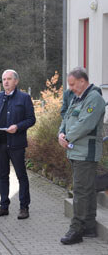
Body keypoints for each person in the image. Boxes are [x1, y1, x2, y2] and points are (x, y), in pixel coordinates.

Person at [58, 67, 106, 245]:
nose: (70, 88)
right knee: (87, 189)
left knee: (80, 191)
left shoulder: (94, 98)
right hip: (75, 151)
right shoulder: (78, 97)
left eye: (72, 84)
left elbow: (85, 124)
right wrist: (61, 134)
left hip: (86, 153)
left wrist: (68, 136)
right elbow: (66, 118)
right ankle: (89, 226)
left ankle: (76, 230)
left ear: (82, 81)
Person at [0, 69, 36, 220]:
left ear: (16, 81)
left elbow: (31, 119)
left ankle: (24, 207)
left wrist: (18, 127)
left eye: (9, 79)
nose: (6, 82)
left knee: (21, 175)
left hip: (16, 143)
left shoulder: (24, 98)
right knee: (2, 175)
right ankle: (3, 206)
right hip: (0, 142)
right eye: (4, 79)